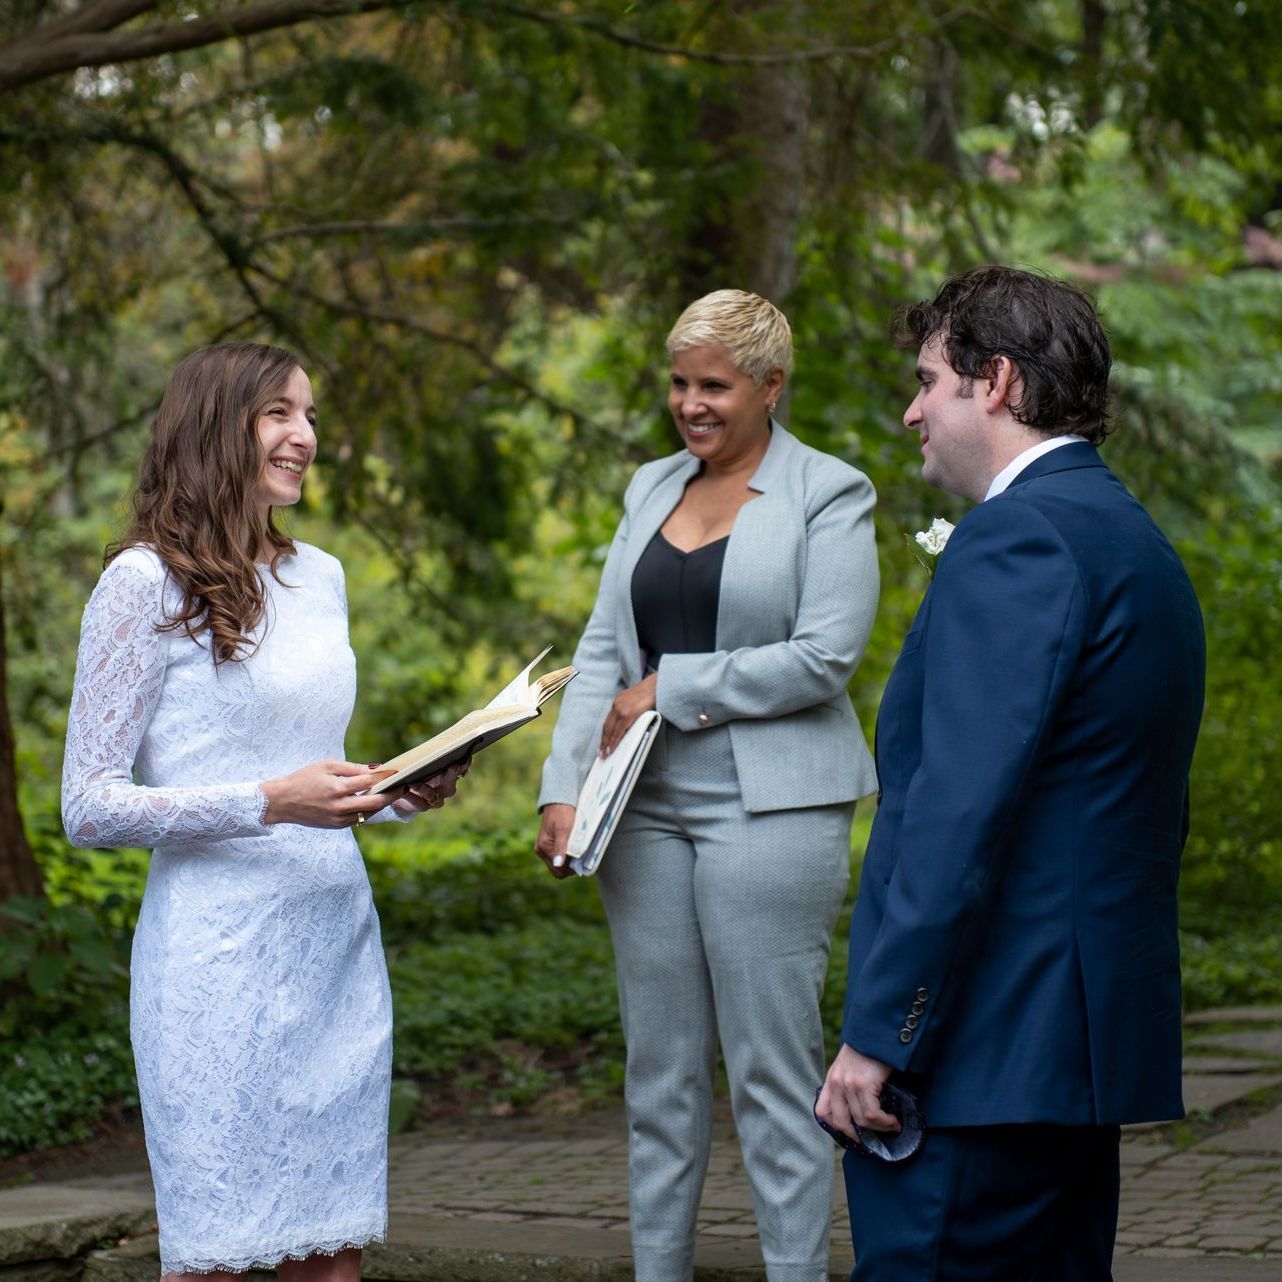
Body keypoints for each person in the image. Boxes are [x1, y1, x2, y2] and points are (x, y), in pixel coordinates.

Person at [817, 266, 1206, 1281]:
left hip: (983, 1052)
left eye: (927, 380)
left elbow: (958, 809)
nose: (910, 410)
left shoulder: (1018, 537)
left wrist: (879, 1033)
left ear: (994, 383)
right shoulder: (1134, 542)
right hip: (1072, 1056)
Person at [61, 343, 464, 1282]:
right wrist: (268, 802)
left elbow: (314, 772)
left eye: (312, 416)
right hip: (216, 964)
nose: (305, 436)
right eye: (280, 413)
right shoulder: (141, 584)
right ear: (218, 423)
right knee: (218, 1260)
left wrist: (395, 791)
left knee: (332, 1259)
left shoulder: (320, 577)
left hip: (334, 946)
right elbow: (88, 806)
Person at [536, 289, 879, 1282]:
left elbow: (824, 657)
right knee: (660, 1074)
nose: (690, 403)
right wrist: (563, 788)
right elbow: (604, 647)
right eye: (680, 382)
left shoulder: (830, 491)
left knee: (771, 1073)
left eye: (714, 386)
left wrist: (671, 686)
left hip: (769, 810)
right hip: (640, 813)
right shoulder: (650, 485)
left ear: (771, 387)